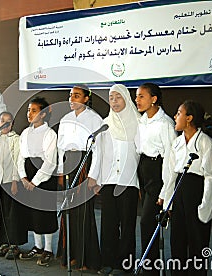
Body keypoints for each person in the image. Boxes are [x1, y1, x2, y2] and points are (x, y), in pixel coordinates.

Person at [163, 100, 212, 276]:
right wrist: (168, 202)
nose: (175, 116)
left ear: (189, 118)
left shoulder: (205, 143)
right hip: (179, 192)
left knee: (197, 243)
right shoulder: (177, 143)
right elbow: (172, 174)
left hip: (196, 193)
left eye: (179, 113)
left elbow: (210, 178)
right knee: (177, 242)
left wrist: (204, 207)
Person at [56, 84, 102, 271]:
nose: (72, 99)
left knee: (83, 211)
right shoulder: (66, 119)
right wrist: (61, 170)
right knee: (69, 211)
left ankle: (86, 258)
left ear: (85, 98)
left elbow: (98, 149)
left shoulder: (94, 119)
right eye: (70, 95)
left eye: (76, 95)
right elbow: (60, 147)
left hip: (85, 163)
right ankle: (71, 254)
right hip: (69, 163)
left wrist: (93, 175)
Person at [96, 84, 141, 275]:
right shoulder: (106, 124)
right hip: (109, 180)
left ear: (126, 98)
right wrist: (97, 179)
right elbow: (100, 154)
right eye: (111, 98)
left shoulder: (139, 123)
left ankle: (125, 264)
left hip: (129, 181)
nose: (114, 101)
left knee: (127, 224)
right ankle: (108, 260)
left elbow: (141, 154)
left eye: (118, 97)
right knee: (108, 223)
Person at [134, 82, 177, 275]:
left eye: (142, 96)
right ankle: (148, 263)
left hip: (158, 171)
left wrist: (165, 191)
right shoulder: (142, 120)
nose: (137, 100)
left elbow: (170, 158)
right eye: (136, 96)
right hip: (144, 168)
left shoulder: (165, 123)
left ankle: (149, 268)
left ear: (154, 99)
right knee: (147, 221)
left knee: (147, 222)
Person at [17, 97, 58, 266]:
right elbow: (20, 157)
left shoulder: (50, 134)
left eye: (34, 110)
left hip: (43, 178)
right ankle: (38, 246)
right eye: (28, 110)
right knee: (32, 212)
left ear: (43, 114)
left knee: (44, 213)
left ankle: (48, 249)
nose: (30, 114)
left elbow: (50, 161)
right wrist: (23, 178)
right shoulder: (25, 133)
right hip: (28, 175)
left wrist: (35, 181)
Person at [0, 111, 28, 260]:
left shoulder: (16, 139)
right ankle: (3, 241)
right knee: (2, 213)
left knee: (13, 214)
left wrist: (14, 180)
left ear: (12, 124)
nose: (5, 123)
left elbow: (17, 160)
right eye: (2, 121)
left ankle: (14, 243)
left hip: (11, 181)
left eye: (8, 121)